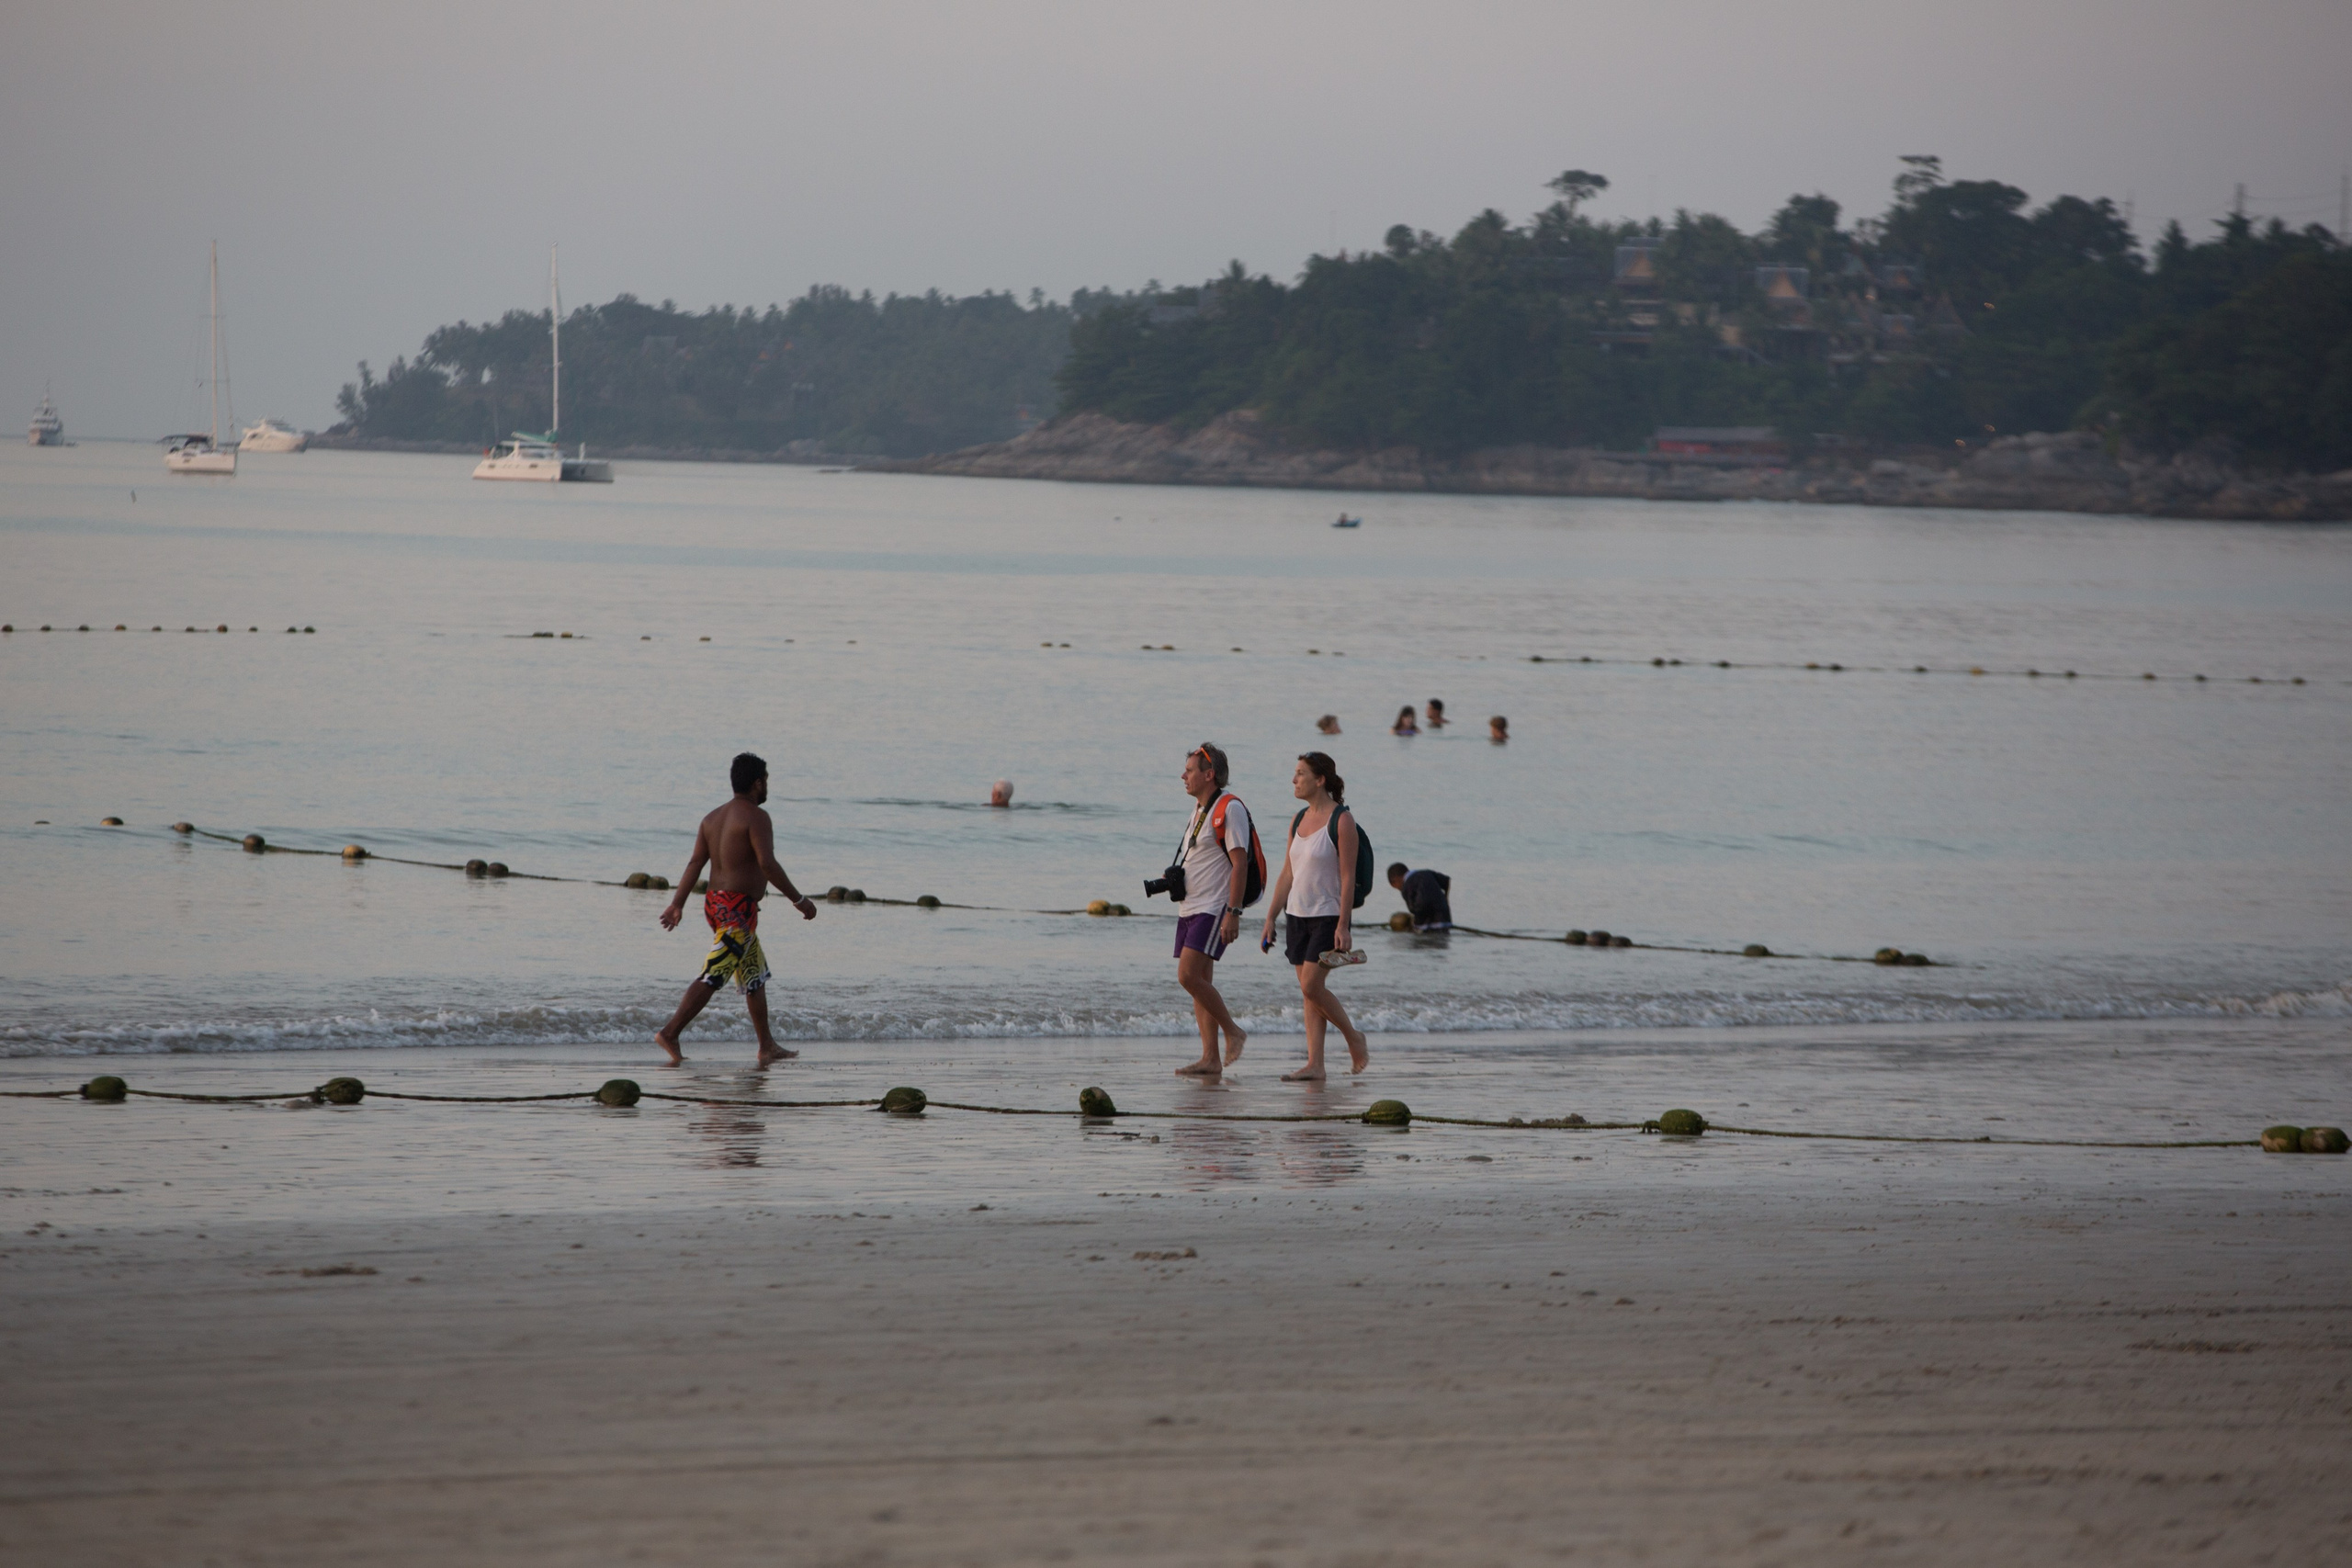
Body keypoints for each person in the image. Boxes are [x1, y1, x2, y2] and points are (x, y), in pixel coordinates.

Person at [654, 751, 819, 1065]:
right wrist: (799, 900)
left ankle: (767, 1046)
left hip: (717, 904)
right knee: (714, 974)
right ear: (758, 783)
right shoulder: (756, 817)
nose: (767, 786)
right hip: (736, 910)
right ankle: (671, 1032)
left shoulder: (711, 818)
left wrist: (678, 903)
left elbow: (695, 863)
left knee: (753, 975)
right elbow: (767, 864)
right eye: (766, 781)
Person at [1260, 752, 1369, 1080]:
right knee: (1308, 992)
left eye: (1300, 774)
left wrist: (1343, 925)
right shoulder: (1297, 819)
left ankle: (1354, 1037)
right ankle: (1315, 1065)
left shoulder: (1342, 821)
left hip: (1327, 915)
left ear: (1320, 779)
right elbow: (1286, 875)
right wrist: (1270, 918)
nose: (1294, 780)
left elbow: (1348, 877)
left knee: (1311, 986)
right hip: (1296, 915)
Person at [1170, 743, 1252, 1077]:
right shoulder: (1199, 809)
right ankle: (1210, 1058)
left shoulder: (1229, 808)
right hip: (1190, 904)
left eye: (1189, 770)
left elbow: (1240, 862)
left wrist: (1233, 911)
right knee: (1200, 980)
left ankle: (1233, 1030)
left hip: (1214, 906)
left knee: (1187, 976)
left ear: (1209, 774)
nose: (1183, 776)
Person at [1387, 861, 1453, 931]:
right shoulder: (1427, 873)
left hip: (1427, 923)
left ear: (1394, 883)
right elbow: (1447, 881)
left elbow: (1413, 908)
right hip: (1444, 917)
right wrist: (1445, 900)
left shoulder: (1406, 886)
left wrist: (1411, 920)